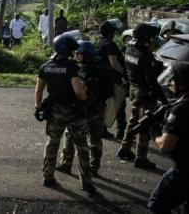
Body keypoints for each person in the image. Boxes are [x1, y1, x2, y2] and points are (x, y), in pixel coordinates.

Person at [35, 34, 96, 193]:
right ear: (67, 50)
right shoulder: (71, 67)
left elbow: (39, 89)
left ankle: (47, 176)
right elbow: (79, 92)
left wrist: (37, 107)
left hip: (54, 111)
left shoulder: (45, 66)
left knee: (52, 143)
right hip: (74, 112)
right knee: (82, 146)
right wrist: (85, 91)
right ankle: (87, 182)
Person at [57, 41, 114, 177]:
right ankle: (94, 168)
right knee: (94, 139)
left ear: (86, 54)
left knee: (71, 135)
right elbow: (111, 92)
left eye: (79, 54)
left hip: (84, 109)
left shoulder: (84, 70)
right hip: (97, 109)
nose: (76, 56)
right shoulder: (104, 68)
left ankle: (67, 164)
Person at [117, 23, 166, 169]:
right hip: (144, 92)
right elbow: (152, 80)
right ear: (145, 37)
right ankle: (141, 157)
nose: (152, 40)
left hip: (133, 88)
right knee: (145, 123)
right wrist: (162, 98)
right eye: (151, 37)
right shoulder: (145, 55)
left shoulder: (129, 49)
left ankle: (125, 148)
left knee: (133, 119)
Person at [148, 62, 189, 213]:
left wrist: (153, 132)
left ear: (183, 83)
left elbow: (166, 146)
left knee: (157, 204)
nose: (170, 83)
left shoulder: (181, 109)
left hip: (184, 171)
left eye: (173, 79)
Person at [95, 20, 128, 140]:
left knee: (104, 105)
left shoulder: (97, 42)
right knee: (119, 105)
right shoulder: (110, 44)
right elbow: (114, 63)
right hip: (112, 78)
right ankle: (121, 132)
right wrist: (125, 74)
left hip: (100, 79)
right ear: (110, 33)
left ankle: (103, 130)